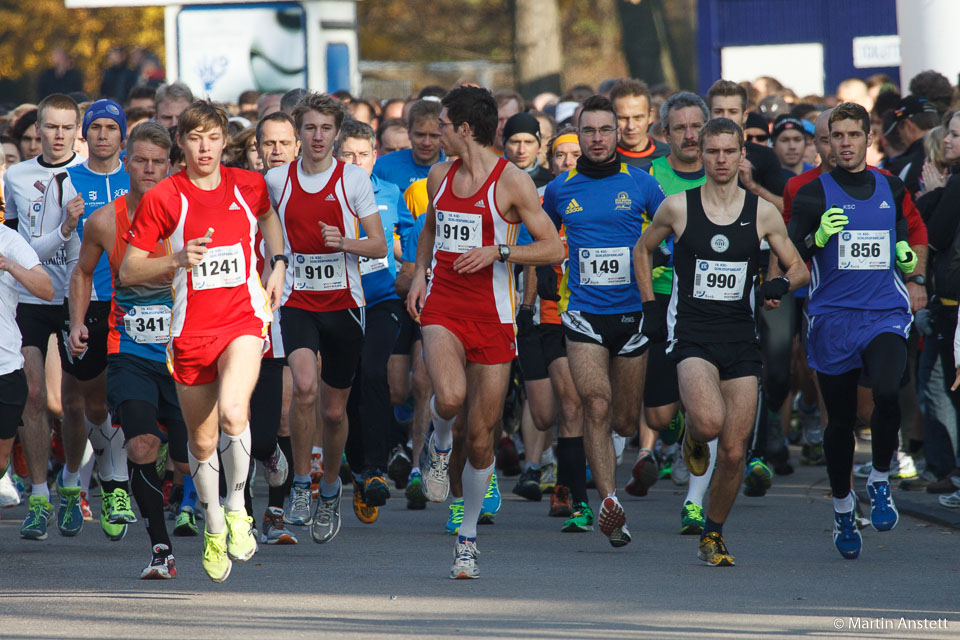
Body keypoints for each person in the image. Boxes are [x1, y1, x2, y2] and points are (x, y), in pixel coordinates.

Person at [120, 99, 287, 582]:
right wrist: (176, 261)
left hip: (243, 318)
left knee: (236, 411)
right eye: (195, 138)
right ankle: (213, 520)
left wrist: (277, 263)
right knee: (202, 437)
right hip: (190, 328)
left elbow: (270, 218)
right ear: (182, 143)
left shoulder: (249, 185)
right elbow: (131, 269)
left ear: (224, 141)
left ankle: (237, 507)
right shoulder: (165, 197)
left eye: (213, 138)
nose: (205, 147)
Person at [636, 117, 808, 566]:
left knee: (733, 452)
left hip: (741, 338)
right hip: (692, 334)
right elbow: (642, 249)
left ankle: (713, 534)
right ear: (701, 154)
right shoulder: (678, 207)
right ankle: (692, 435)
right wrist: (652, 306)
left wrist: (777, 286)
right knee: (710, 423)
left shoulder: (762, 212)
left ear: (740, 156)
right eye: (712, 151)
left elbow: (799, 268)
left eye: (729, 151)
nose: (720, 159)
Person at [406, 86, 563, 579]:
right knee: (449, 398)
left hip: (494, 316)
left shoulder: (512, 183)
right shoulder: (438, 175)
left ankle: (467, 538)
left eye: (444, 127)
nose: (437, 135)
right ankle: (437, 439)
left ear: (465, 129)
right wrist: (419, 274)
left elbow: (553, 249)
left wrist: (500, 253)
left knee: (481, 440)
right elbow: (431, 227)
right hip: (444, 307)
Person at [787, 102, 915, 560]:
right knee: (840, 421)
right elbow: (792, 251)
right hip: (833, 318)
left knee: (886, 389)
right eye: (836, 135)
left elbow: (901, 234)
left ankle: (879, 477)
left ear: (868, 138)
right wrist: (815, 239)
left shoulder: (892, 186)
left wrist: (907, 257)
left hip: (884, 311)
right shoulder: (812, 194)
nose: (844, 143)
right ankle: (843, 504)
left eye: (853, 135)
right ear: (827, 140)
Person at [67, 121, 191, 578]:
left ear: (171, 165)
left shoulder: (190, 214)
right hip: (130, 348)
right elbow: (82, 273)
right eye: (140, 160)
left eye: (159, 161)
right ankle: (160, 549)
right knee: (141, 444)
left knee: (186, 457)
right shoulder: (105, 220)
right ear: (127, 161)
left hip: (186, 349)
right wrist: (78, 322)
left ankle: (217, 506)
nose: (149, 169)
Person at [541, 95, 665, 548]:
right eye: (588, 131)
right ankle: (610, 502)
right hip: (583, 314)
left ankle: (615, 459)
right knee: (595, 405)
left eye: (604, 130)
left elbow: (671, 228)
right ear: (579, 134)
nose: (596, 139)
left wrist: (661, 259)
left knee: (627, 422)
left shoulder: (642, 183)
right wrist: (539, 278)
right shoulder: (560, 188)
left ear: (618, 134)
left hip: (632, 315)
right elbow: (541, 235)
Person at [266, 94, 386, 544]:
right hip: (297, 300)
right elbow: (267, 232)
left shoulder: (351, 178)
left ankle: (331, 487)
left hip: (344, 306)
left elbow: (379, 245)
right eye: (310, 128)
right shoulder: (277, 180)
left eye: (326, 129)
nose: (317, 137)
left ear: (337, 134)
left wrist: (345, 243)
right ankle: (300, 483)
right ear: (299, 132)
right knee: (302, 386)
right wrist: (275, 269)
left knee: (334, 412)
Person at [40, 99, 134, 541]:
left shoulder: (137, 178)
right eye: (94, 127)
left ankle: (114, 484)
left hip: (133, 301)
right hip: (84, 300)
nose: (102, 135)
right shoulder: (65, 180)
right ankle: (75, 482)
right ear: (85, 134)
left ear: (122, 135)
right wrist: (66, 225)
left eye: (110, 128)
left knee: (108, 399)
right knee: (80, 403)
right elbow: (50, 244)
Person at [5, 94, 84, 541]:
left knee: (68, 403)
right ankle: (39, 496)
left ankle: (71, 482)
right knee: (33, 395)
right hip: (31, 299)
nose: (57, 136)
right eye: (49, 128)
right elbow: (20, 252)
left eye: (65, 127)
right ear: (37, 129)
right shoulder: (16, 176)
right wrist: (64, 231)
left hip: (76, 298)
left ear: (77, 130)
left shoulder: (90, 177)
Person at [634, 91, 709, 531]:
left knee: (705, 392)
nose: (689, 135)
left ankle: (696, 493)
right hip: (663, 294)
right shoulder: (649, 178)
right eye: (679, 127)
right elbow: (643, 243)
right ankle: (679, 422)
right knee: (658, 415)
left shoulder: (724, 171)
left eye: (696, 126)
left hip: (708, 299)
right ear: (664, 134)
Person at [336, 118, 413, 523]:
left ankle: (377, 469)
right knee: (345, 387)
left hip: (382, 299)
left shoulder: (392, 193)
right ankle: (360, 471)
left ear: (374, 158)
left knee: (374, 374)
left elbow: (409, 239)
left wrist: (412, 270)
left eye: (362, 155)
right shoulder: (327, 193)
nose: (355, 161)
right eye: (347, 154)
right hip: (339, 301)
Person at [0, 218, 55, 529]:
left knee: (0, 460)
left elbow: (46, 289)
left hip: (5, 364)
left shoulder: (8, 240)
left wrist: (9, 266)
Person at [706, 80, 787, 211]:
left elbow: (785, 209)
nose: (725, 117)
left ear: (744, 116)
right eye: (719, 111)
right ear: (709, 114)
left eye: (732, 111)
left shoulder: (765, 155)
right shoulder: (699, 155)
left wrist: (752, 186)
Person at [373, 100, 444, 189]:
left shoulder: (454, 169)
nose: (426, 143)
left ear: (444, 134)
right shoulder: (382, 167)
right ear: (409, 133)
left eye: (434, 136)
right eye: (420, 135)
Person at [610, 78, 670, 168]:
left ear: (650, 116)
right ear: (611, 117)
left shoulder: (669, 156)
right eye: (623, 118)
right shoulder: (603, 160)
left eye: (638, 117)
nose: (631, 126)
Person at [500, 112, 553, 188]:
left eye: (529, 142)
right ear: (504, 144)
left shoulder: (550, 181)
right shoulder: (488, 177)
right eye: (515, 142)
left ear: (539, 145)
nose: (521, 150)